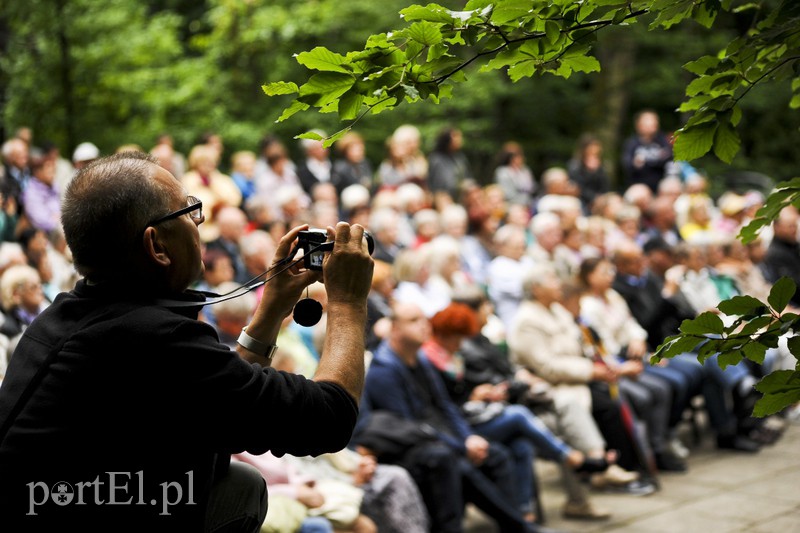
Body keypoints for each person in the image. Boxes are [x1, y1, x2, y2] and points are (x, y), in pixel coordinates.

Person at [0, 151, 375, 532]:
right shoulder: (151, 337)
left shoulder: (65, 317)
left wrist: (272, 308)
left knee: (240, 484)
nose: (201, 222)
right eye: (189, 211)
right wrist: (348, 301)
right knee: (242, 486)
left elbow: (225, 408)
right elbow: (330, 419)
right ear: (157, 245)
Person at [353, 300, 547, 533]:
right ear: (394, 329)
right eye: (413, 321)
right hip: (408, 448)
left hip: (435, 437)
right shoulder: (383, 370)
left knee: (499, 454)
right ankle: (519, 526)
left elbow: (445, 406)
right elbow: (407, 428)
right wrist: (460, 446)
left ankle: (516, 524)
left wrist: (467, 438)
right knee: (454, 463)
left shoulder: (421, 358)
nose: (424, 325)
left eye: (424, 319)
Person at [620, 110, 673, 193]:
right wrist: (657, 160)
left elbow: (668, 158)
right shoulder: (632, 143)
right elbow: (628, 166)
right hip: (638, 184)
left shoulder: (662, 140)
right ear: (639, 125)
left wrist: (645, 163)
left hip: (661, 184)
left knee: (672, 188)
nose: (652, 124)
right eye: (648, 121)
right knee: (639, 193)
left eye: (654, 121)